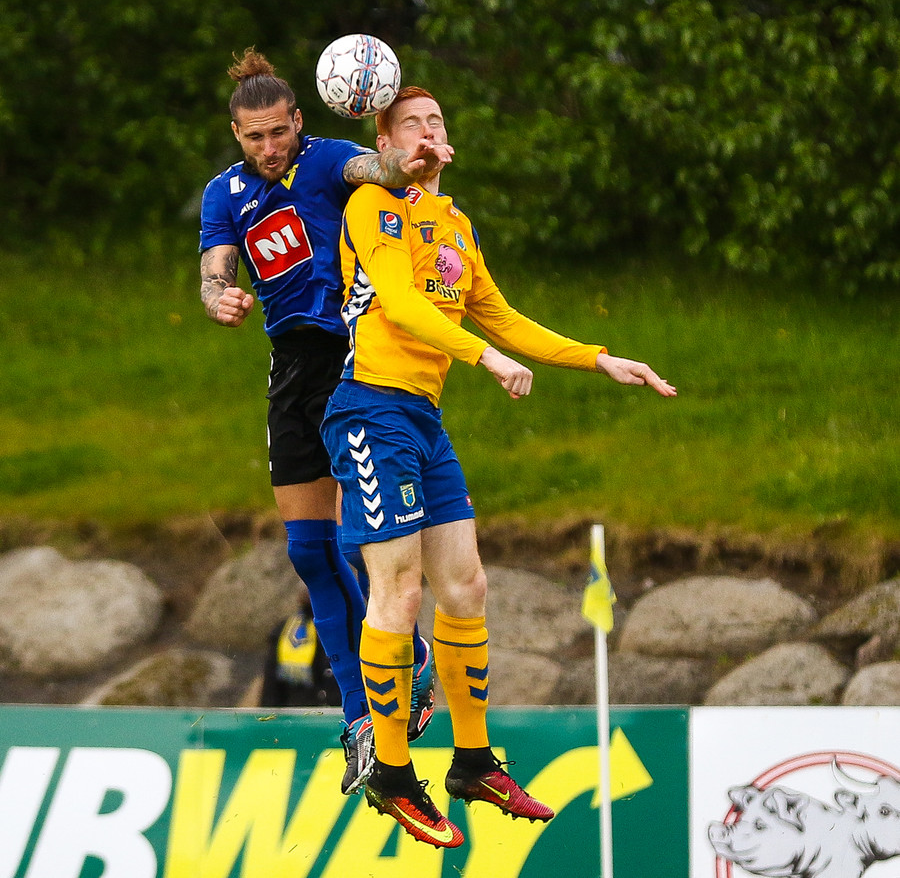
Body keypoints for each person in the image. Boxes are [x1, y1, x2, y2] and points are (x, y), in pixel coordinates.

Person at [320, 86, 677, 848]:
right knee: (400, 590)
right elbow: (401, 303)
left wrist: (600, 358)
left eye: (436, 121)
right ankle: (390, 772)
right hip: (370, 409)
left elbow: (502, 316)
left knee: (467, 585)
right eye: (411, 124)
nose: (428, 131)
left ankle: (474, 762)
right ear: (386, 144)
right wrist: (484, 358)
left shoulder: (456, 225)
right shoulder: (374, 205)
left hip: (422, 418)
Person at [198, 50, 450, 795]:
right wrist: (219, 298)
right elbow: (215, 269)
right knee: (308, 552)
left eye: (279, 132)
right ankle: (362, 719)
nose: (270, 147)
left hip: (354, 359)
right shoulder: (225, 194)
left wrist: (407, 162)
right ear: (237, 134)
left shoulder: (331, 158)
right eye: (255, 137)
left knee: (354, 540)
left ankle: (397, 676)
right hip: (290, 372)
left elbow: (376, 171)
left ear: (299, 121)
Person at [259, 586, 342, 708]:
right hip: (300, 711)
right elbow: (271, 685)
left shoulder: (285, 628)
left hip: (308, 709)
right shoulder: (284, 630)